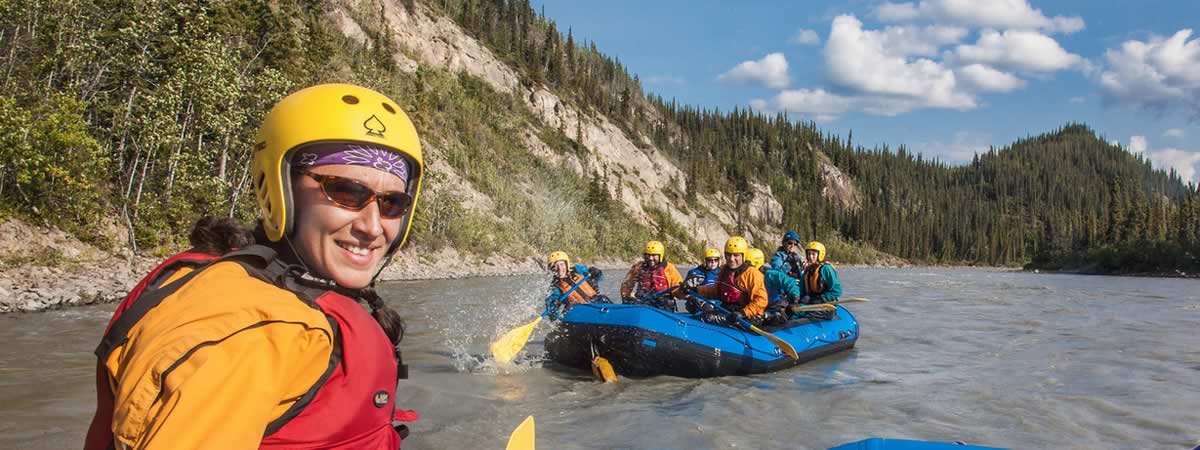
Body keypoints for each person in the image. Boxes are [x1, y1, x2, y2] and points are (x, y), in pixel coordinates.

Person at [85, 84, 423, 450]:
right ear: (280, 188)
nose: (373, 227)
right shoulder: (252, 329)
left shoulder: (254, 281)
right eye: (346, 192)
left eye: (392, 203)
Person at [694, 236, 769, 326]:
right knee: (698, 308)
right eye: (728, 254)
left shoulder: (752, 274)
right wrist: (696, 290)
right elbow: (716, 291)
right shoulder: (724, 270)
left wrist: (743, 313)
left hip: (746, 317)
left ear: (743, 256)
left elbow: (761, 300)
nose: (731, 258)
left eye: (736, 255)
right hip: (729, 311)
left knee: (707, 318)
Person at [619, 240, 683, 306]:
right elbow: (627, 284)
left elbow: (678, 291)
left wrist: (682, 291)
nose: (650, 258)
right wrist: (626, 297)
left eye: (654, 255)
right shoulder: (639, 267)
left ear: (660, 255)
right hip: (643, 302)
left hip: (663, 305)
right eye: (648, 255)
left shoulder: (669, 268)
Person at [793, 241, 843, 321]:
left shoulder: (826, 269)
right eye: (809, 254)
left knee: (804, 312)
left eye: (813, 254)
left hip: (826, 304)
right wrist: (795, 298)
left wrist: (822, 298)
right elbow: (801, 289)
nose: (810, 256)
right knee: (794, 310)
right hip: (812, 300)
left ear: (820, 255)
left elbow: (837, 290)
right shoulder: (807, 270)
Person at [748, 248, 797, 326]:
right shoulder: (746, 276)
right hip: (760, 307)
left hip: (775, 307)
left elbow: (789, 282)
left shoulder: (769, 275)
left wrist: (795, 296)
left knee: (773, 318)